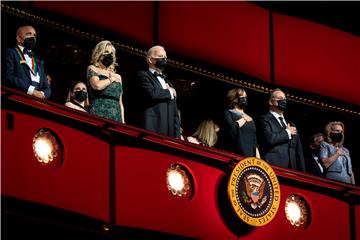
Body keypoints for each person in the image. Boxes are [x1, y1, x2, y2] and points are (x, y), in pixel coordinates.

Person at [257, 88, 305, 171]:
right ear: (270, 102)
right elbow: (269, 139)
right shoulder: (263, 119)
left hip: (291, 170)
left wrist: (302, 173)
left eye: (284, 99)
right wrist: (287, 132)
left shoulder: (291, 124)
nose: (283, 101)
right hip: (272, 168)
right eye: (280, 98)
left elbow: (298, 152)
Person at [137, 45, 180, 138]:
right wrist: (169, 92)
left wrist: (177, 134)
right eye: (160, 57)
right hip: (153, 128)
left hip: (169, 133)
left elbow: (175, 112)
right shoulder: (143, 75)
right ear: (150, 60)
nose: (164, 60)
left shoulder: (168, 83)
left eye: (165, 58)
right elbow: (151, 93)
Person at [4, 25, 51, 99]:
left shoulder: (39, 61)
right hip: (17, 97)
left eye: (34, 35)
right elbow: (8, 76)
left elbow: (47, 87)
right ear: (19, 38)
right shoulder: (11, 52)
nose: (33, 37)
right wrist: (31, 90)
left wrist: (42, 94)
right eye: (28, 34)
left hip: (37, 101)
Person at [87, 40, 125, 123]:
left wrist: (123, 122)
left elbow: (120, 103)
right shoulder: (93, 68)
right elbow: (97, 86)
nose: (109, 55)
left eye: (111, 53)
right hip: (98, 111)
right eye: (106, 52)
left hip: (116, 115)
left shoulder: (118, 76)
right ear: (99, 53)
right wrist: (110, 80)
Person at [222, 88, 260, 158]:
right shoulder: (228, 113)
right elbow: (231, 130)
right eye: (242, 96)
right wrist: (243, 119)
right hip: (235, 155)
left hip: (250, 158)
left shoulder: (250, 119)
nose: (244, 99)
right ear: (234, 99)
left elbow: (254, 141)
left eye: (245, 97)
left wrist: (258, 158)